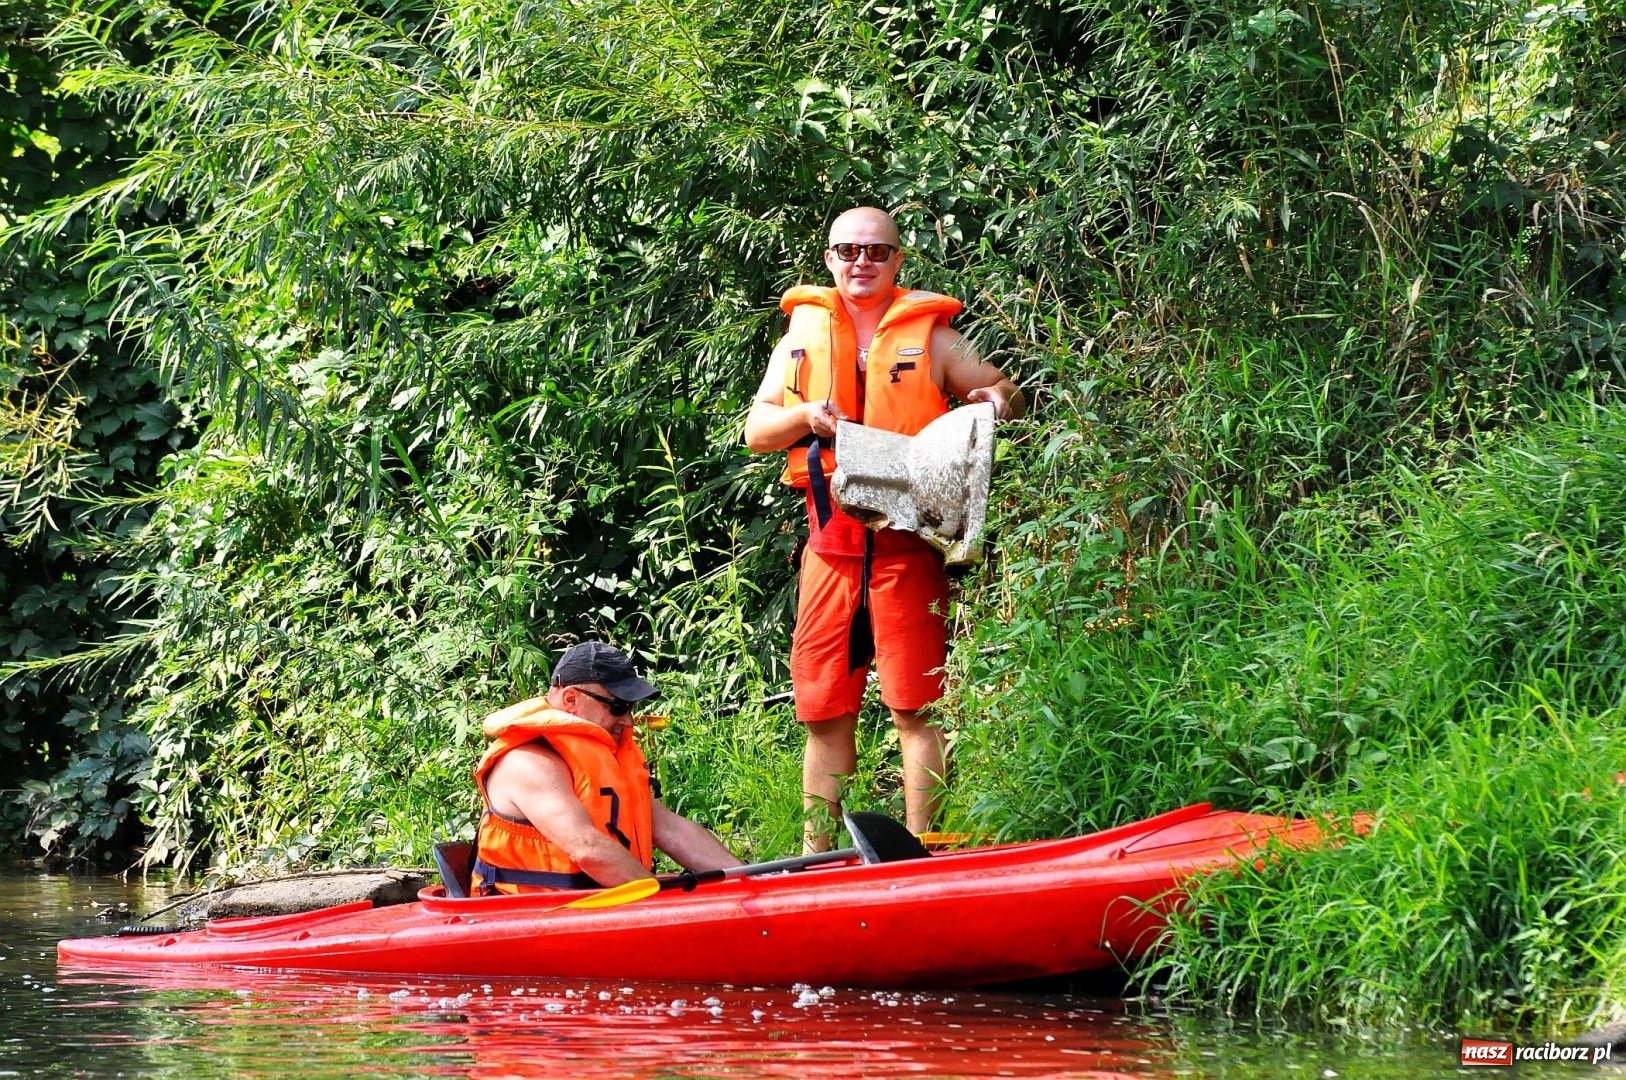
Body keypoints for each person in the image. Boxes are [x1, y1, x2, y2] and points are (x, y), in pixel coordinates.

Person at [743, 206, 1025, 850]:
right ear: (829, 259)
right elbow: (758, 431)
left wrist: (994, 401)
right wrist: (805, 417)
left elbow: (1005, 393)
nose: (861, 262)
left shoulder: (934, 337)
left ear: (897, 260)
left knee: (916, 705)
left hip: (909, 541)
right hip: (830, 546)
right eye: (848, 250)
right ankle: (818, 852)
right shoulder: (800, 338)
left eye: (876, 251)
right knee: (824, 709)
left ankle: (928, 847)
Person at [470, 641, 742, 893]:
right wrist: (656, 898)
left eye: (631, 708)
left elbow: (672, 830)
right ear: (571, 700)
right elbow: (586, 848)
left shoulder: (606, 760)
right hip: (532, 913)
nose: (628, 722)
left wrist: (746, 879)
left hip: (595, 903)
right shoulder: (529, 761)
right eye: (617, 707)